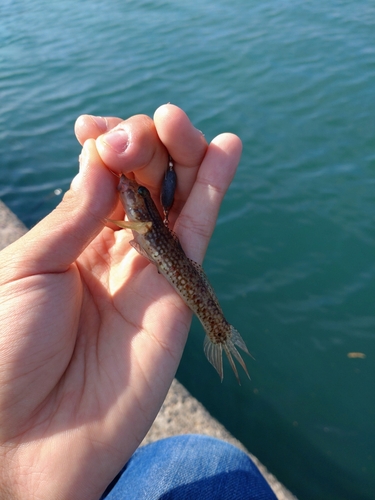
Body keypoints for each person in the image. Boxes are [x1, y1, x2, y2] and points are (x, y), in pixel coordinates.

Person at [0, 104, 276, 499]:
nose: (128, 191)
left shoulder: (140, 221)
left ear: (141, 212)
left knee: (217, 465)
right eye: (129, 192)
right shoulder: (138, 221)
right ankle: (220, 330)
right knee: (218, 467)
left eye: (134, 194)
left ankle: (220, 330)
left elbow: (128, 223)